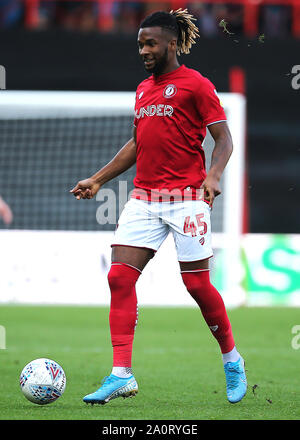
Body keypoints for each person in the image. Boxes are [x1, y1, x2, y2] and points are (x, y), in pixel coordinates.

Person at [70, 8, 247, 405]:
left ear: (171, 43)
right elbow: (138, 142)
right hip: (145, 198)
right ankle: (121, 375)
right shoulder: (143, 90)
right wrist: (99, 179)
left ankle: (232, 359)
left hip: (186, 199)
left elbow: (224, 139)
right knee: (119, 277)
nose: (144, 51)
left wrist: (213, 176)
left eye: (150, 43)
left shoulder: (196, 85)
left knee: (198, 285)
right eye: (139, 45)